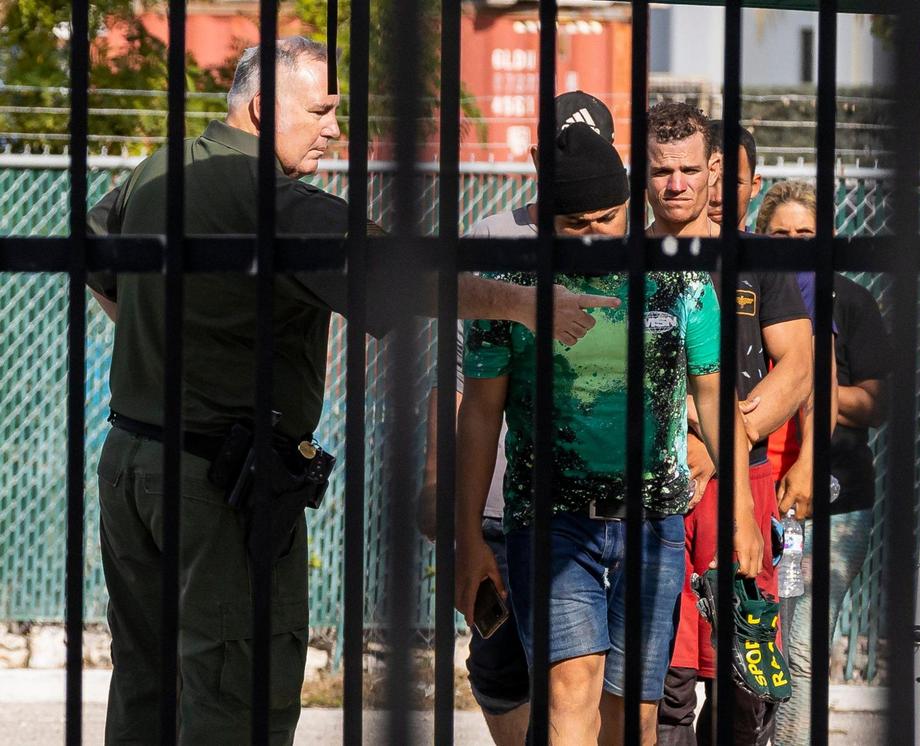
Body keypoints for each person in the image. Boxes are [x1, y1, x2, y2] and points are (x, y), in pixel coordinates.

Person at [83, 37, 618, 745]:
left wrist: (161, 351)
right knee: (235, 689)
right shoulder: (275, 202)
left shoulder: (163, 167)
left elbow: (93, 254)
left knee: (148, 681)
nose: (335, 129)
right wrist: (521, 304)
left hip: (133, 463)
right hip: (214, 484)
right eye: (321, 110)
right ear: (264, 107)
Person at [454, 123, 763, 746]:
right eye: (576, 224)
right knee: (573, 692)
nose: (595, 234)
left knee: (634, 717)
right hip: (550, 519)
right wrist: (466, 535)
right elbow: (480, 415)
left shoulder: (679, 283)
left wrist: (743, 514)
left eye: (608, 218)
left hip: (654, 522)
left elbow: (714, 399)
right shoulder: (512, 292)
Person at [418, 90, 619, 746]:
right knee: (499, 662)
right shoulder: (492, 240)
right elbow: (453, 384)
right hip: (500, 502)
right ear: (538, 159)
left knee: (584, 677)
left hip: (597, 509)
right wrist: (441, 489)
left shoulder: (626, 238)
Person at [646, 107, 812, 746]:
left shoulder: (762, 261)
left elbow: (795, 371)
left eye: (723, 173)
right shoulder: (644, 255)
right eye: (688, 170)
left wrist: (721, 449)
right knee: (668, 673)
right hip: (662, 479)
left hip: (745, 481)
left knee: (746, 667)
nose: (711, 185)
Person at [756, 181, 889, 746]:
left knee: (804, 644)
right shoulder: (747, 295)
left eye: (803, 234)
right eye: (779, 234)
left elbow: (879, 401)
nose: (791, 243)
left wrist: (825, 393)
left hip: (834, 501)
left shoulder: (849, 300)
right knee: (760, 643)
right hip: (759, 492)